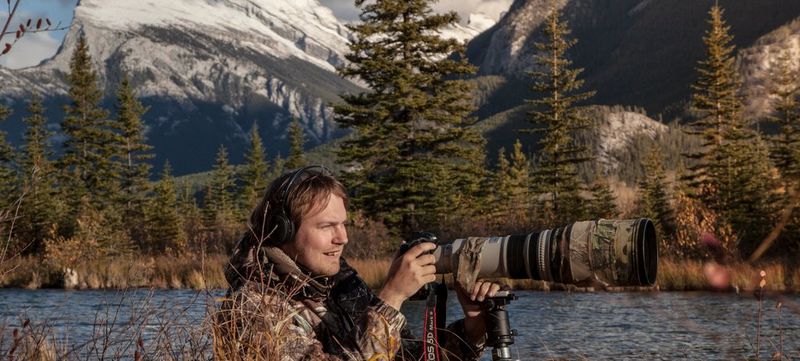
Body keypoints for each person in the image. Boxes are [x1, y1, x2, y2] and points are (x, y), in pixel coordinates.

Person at [219, 166, 502, 360]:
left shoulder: (341, 286)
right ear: (283, 231)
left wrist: (472, 328)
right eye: (327, 226)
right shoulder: (253, 306)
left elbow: (408, 357)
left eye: (343, 224)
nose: (342, 238)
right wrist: (391, 298)